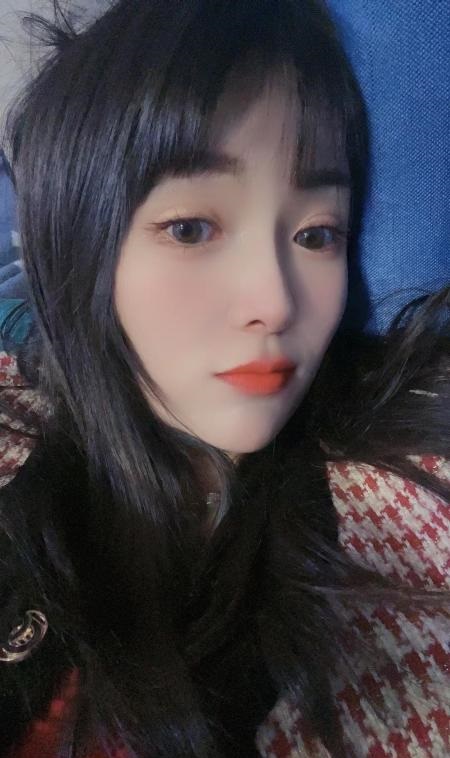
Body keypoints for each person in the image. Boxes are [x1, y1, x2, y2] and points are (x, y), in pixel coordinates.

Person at [0, 1, 448, 756]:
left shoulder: (404, 507)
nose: (276, 302)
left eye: (317, 234)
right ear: (78, 240)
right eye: (191, 228)